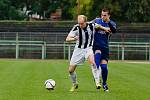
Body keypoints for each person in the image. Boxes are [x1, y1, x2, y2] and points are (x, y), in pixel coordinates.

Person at [66, 15, 110, 92]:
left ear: (86, 22)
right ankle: (75, 84)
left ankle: (97, 82)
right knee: (70, 70)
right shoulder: (76, 27)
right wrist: (74, 38)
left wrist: (105, 28)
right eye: (79, 23)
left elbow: (98, 26)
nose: (80, 25)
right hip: (78, 50)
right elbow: (67, 39)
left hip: (88, 48)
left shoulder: (91, 25)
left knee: (93, 62)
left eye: (82, 23)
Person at [92, 8, 117, 92]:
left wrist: (108, 22)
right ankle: (97, 79)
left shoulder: (112, 23)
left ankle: (104, 83)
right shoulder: (97, 20)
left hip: (105, 48)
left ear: (108, 15)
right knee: (97, 62)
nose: (103, 16)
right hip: (96, 46)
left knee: (104, 67)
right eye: (102, 15)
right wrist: (98, 26)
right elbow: (89, 25)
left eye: (105, 15)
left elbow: (113, 31)